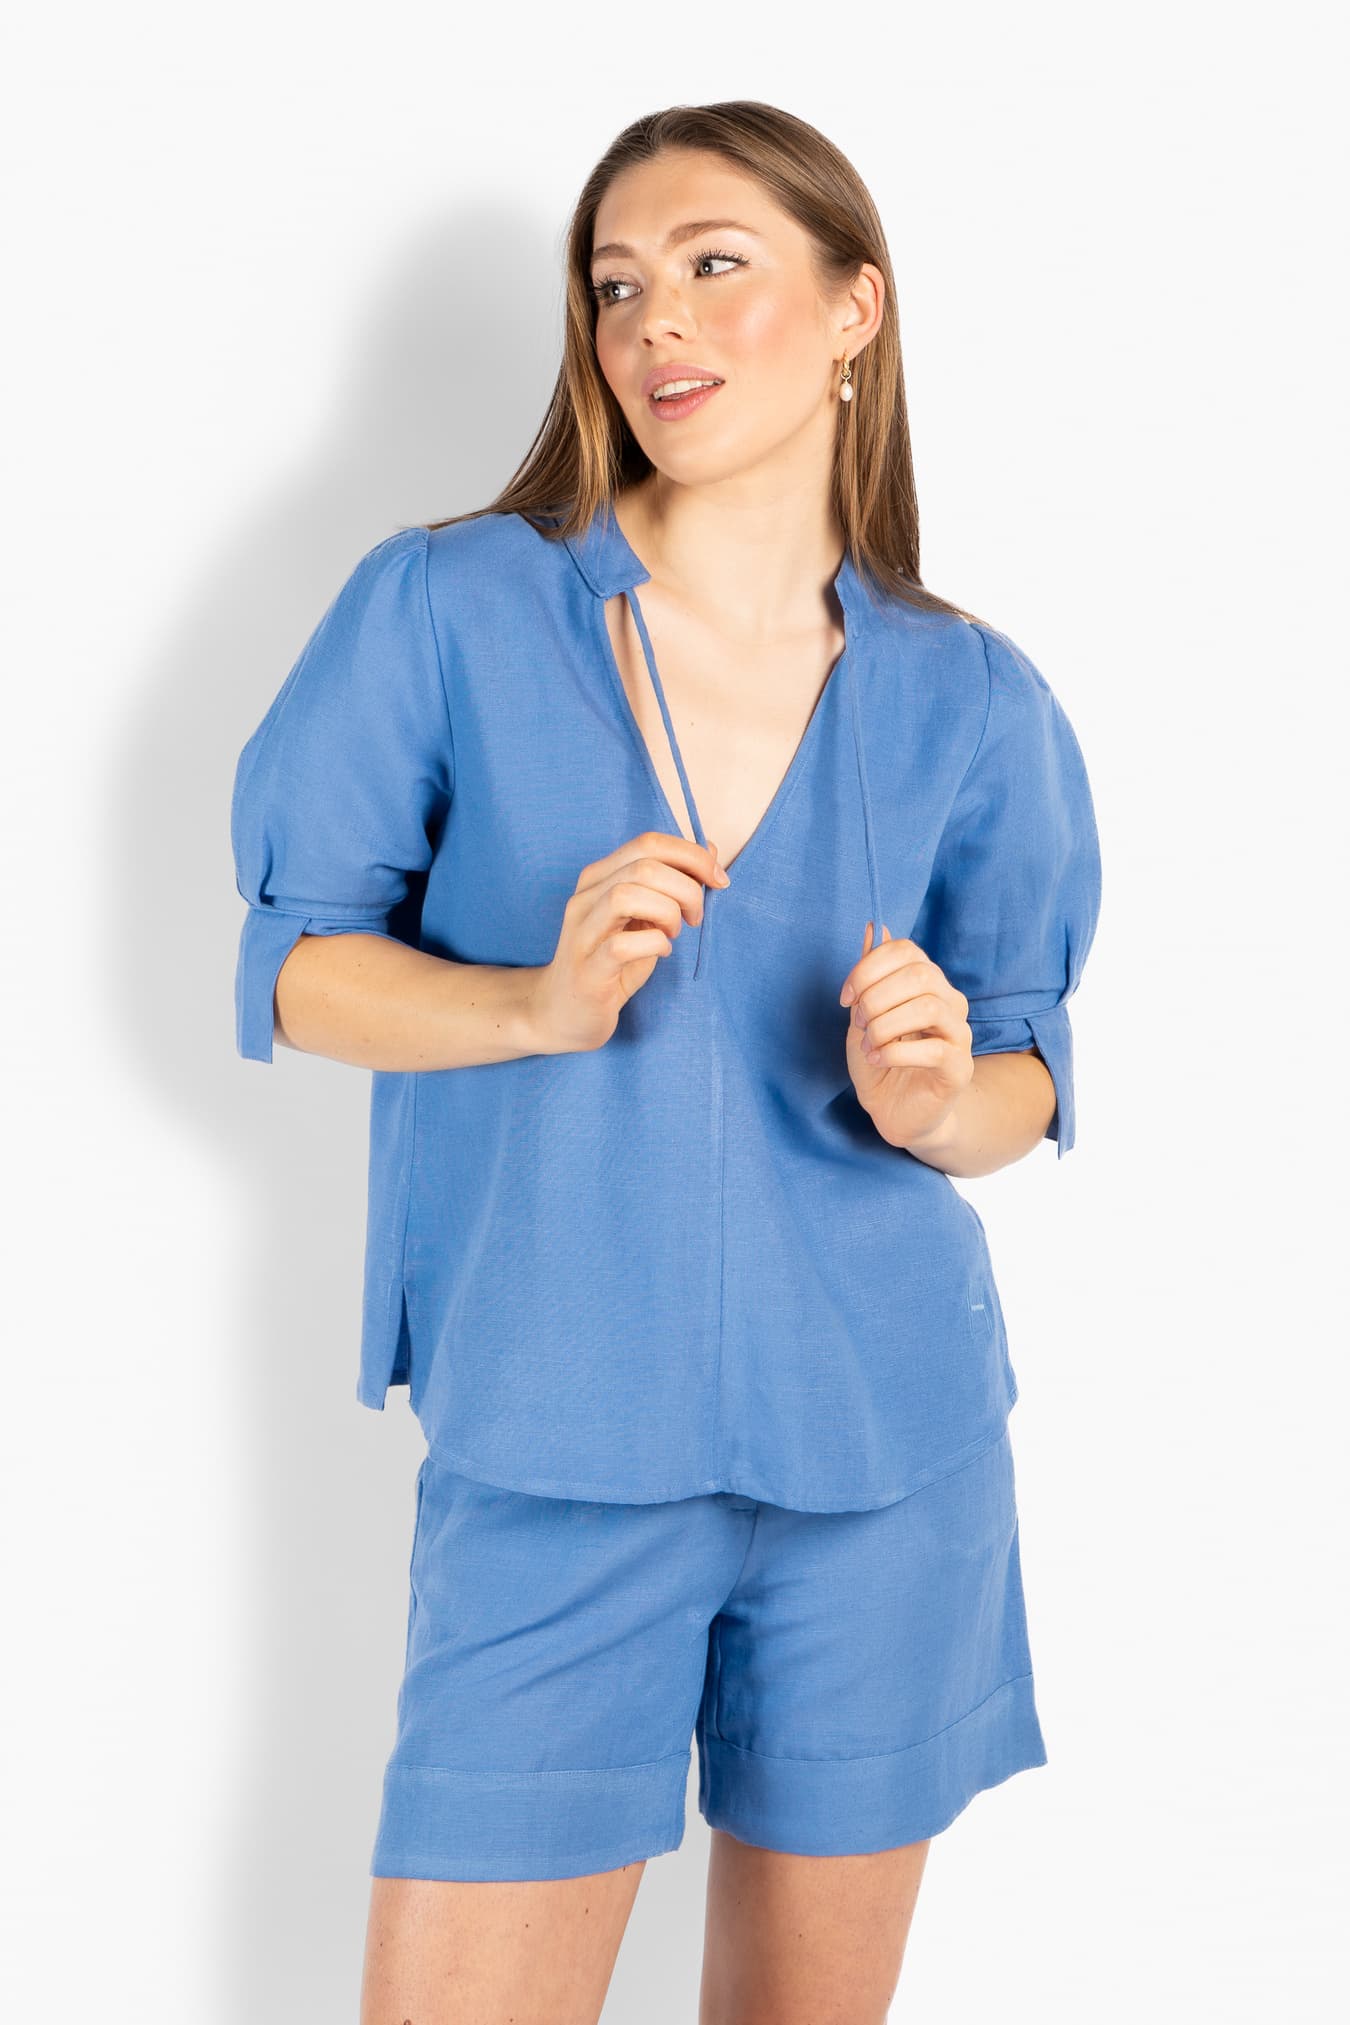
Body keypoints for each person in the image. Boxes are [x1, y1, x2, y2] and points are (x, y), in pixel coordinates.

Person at [230, 100, 1102, 2025]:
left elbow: (1022, 1066)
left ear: (855, 308)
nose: (655, 323)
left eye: (715, 265)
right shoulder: (449, 605)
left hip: (884, 1454)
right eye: (616, 285)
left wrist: (936, 1098)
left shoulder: (969, 693)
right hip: (556, 1444)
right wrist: (529, 1004)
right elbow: (292, 967)